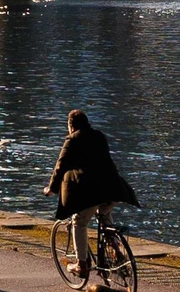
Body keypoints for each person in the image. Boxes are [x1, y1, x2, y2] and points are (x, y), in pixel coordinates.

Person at [46, 110, 138, 271]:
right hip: (113, 187)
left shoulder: (71, 140)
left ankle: (81, 264)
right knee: (105, 215)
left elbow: (60, 166)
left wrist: (52, 188)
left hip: (90, 192)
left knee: (79, 223)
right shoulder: (100, 136)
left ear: (71, 125)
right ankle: (117, 252)